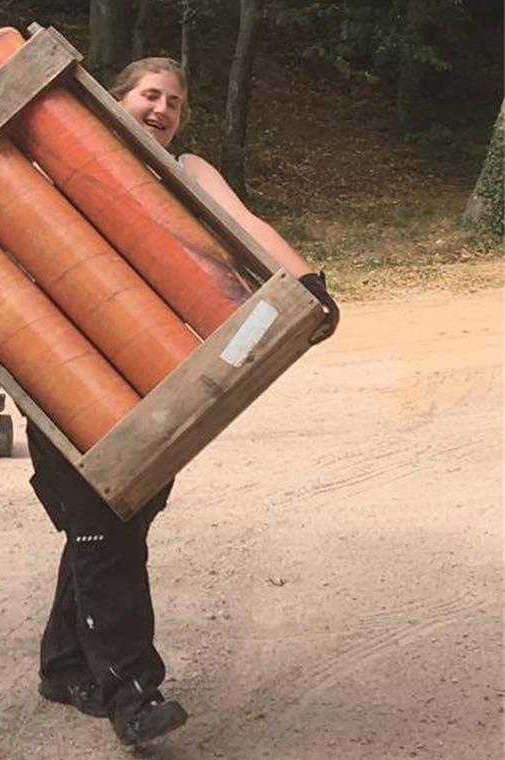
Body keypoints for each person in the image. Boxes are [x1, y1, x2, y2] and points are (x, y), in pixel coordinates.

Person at [29, 57, 339, 747]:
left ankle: (63, 664)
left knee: (117, 518)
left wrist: (306, 283)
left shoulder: (189, 171)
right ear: (113, 99)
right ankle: (131, 692)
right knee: (104, 521)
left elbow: (243, 222)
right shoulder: (61, 162)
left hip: (152, 371)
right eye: (148, 94)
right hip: (56, 365)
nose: (161, 107)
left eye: (173, 100)